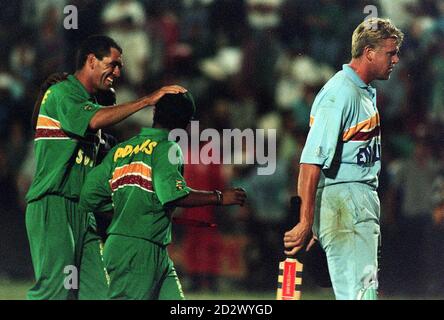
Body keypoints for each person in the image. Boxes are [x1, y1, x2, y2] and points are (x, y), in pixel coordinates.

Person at [25, 34, 187, 300]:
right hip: (53, 203)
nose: (118, 71)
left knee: (99, 293)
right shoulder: (62, 91)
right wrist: (146, 100)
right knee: (56, 291)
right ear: (91, 60)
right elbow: (93, 120)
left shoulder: (90, 107)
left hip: (82, 210)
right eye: (112, 64)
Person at [79, 92, 247, 300]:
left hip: (140, 247)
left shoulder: (121, 149)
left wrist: (125, 211)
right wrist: (220, 197)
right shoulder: (167, 149)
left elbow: (88, 196)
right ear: (186, 123)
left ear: (155, 113)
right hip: (140, 249)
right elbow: (173, 195)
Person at [283, 18, 404, 300]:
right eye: (390, 52)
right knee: (359, 294)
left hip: (354, 202)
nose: (396, 59)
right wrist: (305, 221)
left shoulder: (360, 91)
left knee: (363, 292)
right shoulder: (341, 93)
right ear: (369, 52)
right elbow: (310, 161)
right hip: (346, 204)